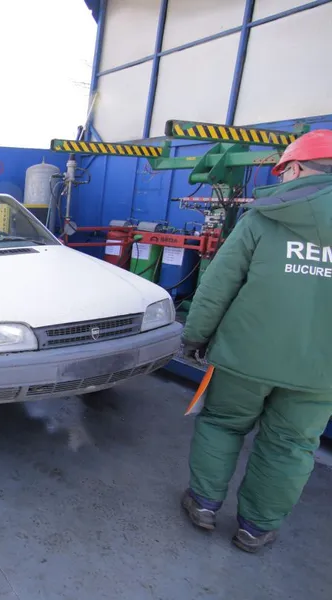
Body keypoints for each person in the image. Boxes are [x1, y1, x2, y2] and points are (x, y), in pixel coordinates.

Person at [179, 129, 332, 553]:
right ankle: (256, 528)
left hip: (245, 357)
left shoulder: (264, 218)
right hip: (321, 373)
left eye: (284, 171)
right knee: (292, 445)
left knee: (223, 424)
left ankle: (204, 504)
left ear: (297, 168)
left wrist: (195, 336)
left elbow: (216, 286)